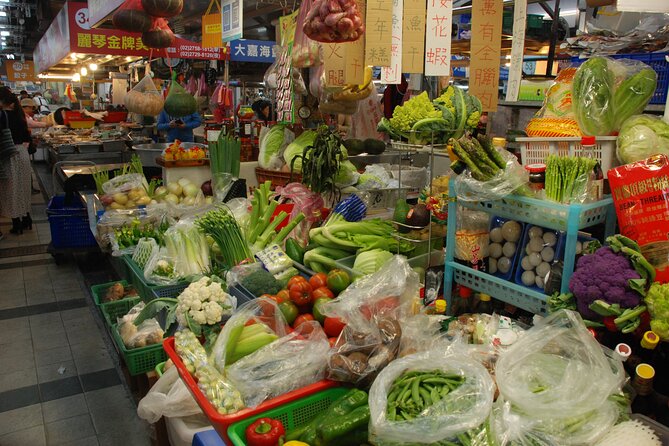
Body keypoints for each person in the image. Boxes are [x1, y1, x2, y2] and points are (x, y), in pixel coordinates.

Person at [0, 87, 32, 236]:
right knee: (24, 188)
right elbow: (27, 137)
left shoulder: (2, 115)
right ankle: (27, 218)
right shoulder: (19, 115)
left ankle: (16, 223)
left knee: (11, 190)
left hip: (9, 155)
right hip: (22, 153)